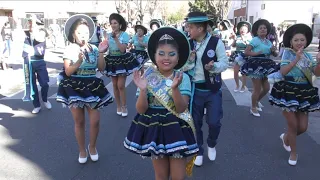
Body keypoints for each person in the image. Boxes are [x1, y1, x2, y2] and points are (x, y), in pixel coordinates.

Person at [124, 27, 198, 179]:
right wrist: (143, 90)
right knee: (161, 175)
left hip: (177, 128)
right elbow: (141, 109)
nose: (166, 58)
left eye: (172, 54)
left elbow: (181, 108)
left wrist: (175, 89)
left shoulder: (182, 78)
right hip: (155, 130)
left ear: (178, 58)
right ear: (154, 56)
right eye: (161, 53)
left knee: (178, 176)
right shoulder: (149, 75)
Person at [56, 14, 113, 164]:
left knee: (95, 120)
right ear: (73, 34)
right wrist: (79, 61)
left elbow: (101, 68)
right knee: (79, 121)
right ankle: (82, 149)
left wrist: (101, 53)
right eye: (80, 33)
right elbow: (68, 71)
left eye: (86, 33)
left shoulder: (94, 48)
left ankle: (92, 146)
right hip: (74, 86)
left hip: (92, 85)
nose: (83, 36)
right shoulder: (70, 49)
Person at [181, 12, 228, 166]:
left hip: (213, 90)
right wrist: (188, 63)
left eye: (191, 27)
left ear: (200, 28)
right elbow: (182, 65)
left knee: (214, 122)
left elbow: (224, 63)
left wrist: (214, 66)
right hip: (194, 89)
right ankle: (198, 149)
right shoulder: (188, 43)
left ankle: (212, 143)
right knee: (195, 122)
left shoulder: (216, 42)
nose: (188, 29)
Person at [269, 24, 320, 166]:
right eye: (296, 40)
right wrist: (296, 59)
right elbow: (283, 71)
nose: (299, 42)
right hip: (288, 91)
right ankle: (293, 152)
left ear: (306, 41)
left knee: (303, 127)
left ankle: (286, 138)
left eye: (302, 40)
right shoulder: (287, 53)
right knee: (293, 125)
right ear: (291, 41)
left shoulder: (309, 55)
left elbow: (316, 75)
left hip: (304, 92)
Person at [104, 13, 142, 117]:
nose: (113, 25)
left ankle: (124, 106)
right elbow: (107, 48)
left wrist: (115, 38)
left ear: (120, 24)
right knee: (115, 85)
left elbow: (122, 49)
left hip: (122, 60)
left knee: (121, 85)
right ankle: (118, 105)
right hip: (112, 60)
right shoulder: (108, 35)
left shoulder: (125, 35)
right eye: (111, 23)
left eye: (115, 23)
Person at [240, 19, 278, 117]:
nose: (263, 30)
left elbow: (274, 54)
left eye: (264, 28)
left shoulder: (268, 42)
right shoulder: (255, 40)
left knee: (266, 88)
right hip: (255, 65)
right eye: (260, 28)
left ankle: (256, 101)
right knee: (257, 88)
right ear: (257, 31)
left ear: (267, 30)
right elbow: (246, 52)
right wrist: (256, 53)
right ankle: (253, 107)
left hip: (266, 65)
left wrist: (274, 51)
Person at [22, 15, 52, 114]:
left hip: (39, 61)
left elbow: (39, 38)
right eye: (30, 22)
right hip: (29, 62)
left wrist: (35, 25)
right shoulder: (25, 33)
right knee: (32, 86)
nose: (31, 24)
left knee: (44, 84)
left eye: (33, 22)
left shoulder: (42, 32)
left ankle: (45, 99)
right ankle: (37, 105)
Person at [230, 21, 252, 92]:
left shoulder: (250, 37)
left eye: (245, 29)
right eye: (242, 29)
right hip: (237, 55)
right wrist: (234, 39)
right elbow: (233, 45)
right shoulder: (238, 37)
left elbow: (250, 46)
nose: (243, 30)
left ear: (247, 30)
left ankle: (243, 86)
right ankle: (237, 85)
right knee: (235, 71)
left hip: (245, 55)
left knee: (243, 72)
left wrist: (244, 39)